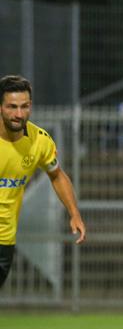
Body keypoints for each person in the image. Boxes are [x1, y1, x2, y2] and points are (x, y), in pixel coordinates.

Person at [0, 75, 86, 288]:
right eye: (11, 107)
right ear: (0, 107)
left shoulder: (40, 141)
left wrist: (74, 213)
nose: (18, 114)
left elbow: (57, 175)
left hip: (4, 240)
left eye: (24, 107)